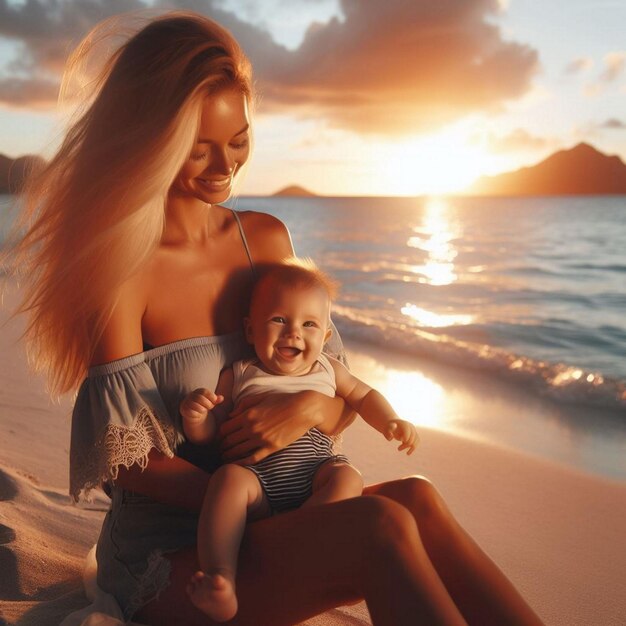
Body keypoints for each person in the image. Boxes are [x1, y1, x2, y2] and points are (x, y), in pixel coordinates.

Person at [6, 10, 544, 626]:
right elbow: (127, 461)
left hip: (282, 508)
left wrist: (310, 411)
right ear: (147, 141)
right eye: (197, 149)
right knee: (378, 525)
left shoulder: (262, 240)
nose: (224, 166)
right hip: (179, 555)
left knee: (417, 497)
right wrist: (247, 497)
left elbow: (332, 384)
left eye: (237, 142)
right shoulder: (121, 268)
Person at [180, 258, 419, 621]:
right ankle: (221, 579)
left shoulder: (328, 368)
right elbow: (214, 432)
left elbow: (364, 396)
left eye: (309, 324)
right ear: (249, 330)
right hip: (257, 482)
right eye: (279, 319)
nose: (294, 332)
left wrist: (391, 419)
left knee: (347, 477)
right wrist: (195, 417)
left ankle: (302, 538)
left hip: (314, 474)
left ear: (324, 337)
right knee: (226, 481)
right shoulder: (239, 373)